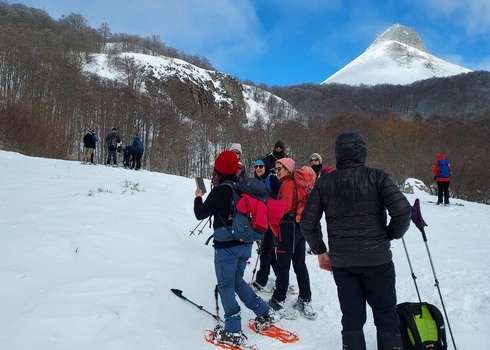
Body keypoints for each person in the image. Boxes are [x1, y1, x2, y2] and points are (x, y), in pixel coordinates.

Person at [300, 131, 412, 350]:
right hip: (378, 260)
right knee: (386, 313)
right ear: (362, 151)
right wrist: (389, 234)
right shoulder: (377, 176)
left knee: (351, 316)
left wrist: (320, 251)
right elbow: (403, 211)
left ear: (338, 153)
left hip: (344, 262)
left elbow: (306, 223)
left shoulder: (325, 183)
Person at [193, 151, 280, 348]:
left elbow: (200, 214)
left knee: (226, 285)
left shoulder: (220, 190)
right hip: (245, 244)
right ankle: (263, 311)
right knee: (236, 280)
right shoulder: (244, 188)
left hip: (227, 248)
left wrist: (198, 197)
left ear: (219, 170)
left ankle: (232, 330)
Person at [268, 157, 316, 320]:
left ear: (288, 169)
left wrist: (271, 209)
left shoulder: (288, 184)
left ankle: (278, 300)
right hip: (299, 226)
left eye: (279, 168)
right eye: (275, 168)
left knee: (282, 265)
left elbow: (285, 207)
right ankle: (305, 298)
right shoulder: (295, 183)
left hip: (288, 227)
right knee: (299, 264)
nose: (277, 171)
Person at [251, 157, 282, 292]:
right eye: (256, 166)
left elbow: (280, 196)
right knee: (268, 251)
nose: (258, 169)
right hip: (260, 219)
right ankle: (281, 277)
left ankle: (261, 280)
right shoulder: (256, 181)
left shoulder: (272, 179)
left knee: (265, 249)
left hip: (271, 219)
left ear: (266, 168)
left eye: (261, 166)